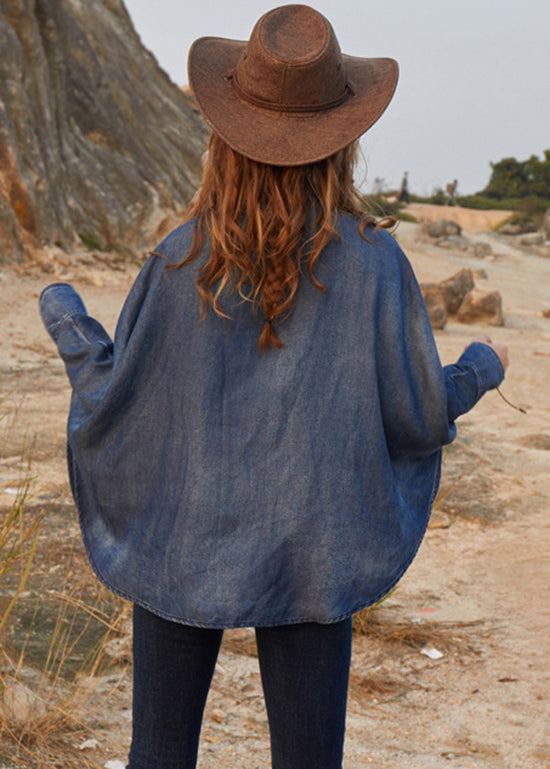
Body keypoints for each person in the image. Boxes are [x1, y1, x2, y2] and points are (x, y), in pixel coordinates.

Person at [39, 5, 508, 769]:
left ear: (223, 135)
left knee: (158, 754)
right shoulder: (374, 265)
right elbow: (419, 416)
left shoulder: (177, 257)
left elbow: (116, 393)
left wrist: (65, 317)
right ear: (341, 141)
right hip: (313, 553)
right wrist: (480, 370)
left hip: (176, 539)